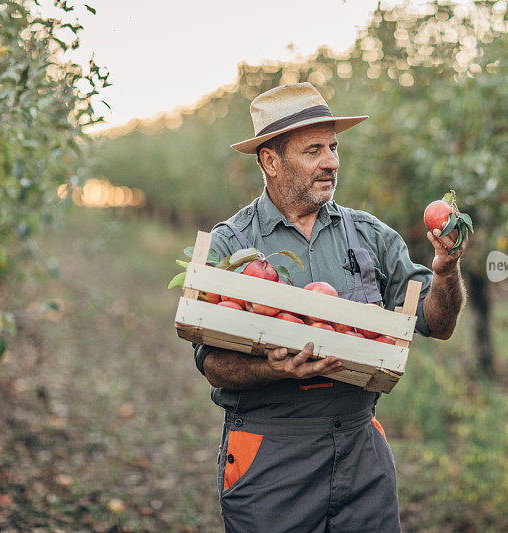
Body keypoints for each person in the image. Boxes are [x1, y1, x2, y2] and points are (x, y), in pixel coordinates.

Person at [192, 82, 468, 532]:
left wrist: (445, 271)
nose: (332, 161)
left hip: (361, 451)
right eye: (314, 150)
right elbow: (213, 366)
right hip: (270, 457)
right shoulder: (233, 245)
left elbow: (438, 324)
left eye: (334, 147)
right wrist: (273, 368)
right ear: (270, 161)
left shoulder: (368, 235)